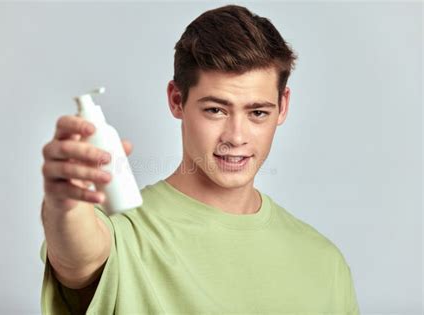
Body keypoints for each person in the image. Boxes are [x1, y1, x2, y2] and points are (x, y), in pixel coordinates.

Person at [39, 4, 360, 314]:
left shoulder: (325, 263)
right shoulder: (124, 233)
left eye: (258, 112)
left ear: (283, 106)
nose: (236, 136)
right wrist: (63, 205)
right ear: (177, 100)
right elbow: (76, 258)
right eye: (215, 110)